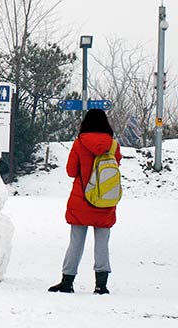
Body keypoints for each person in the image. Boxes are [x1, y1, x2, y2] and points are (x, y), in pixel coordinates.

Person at [48, 107, 122, 296]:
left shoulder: (79, 143)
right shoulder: (113, 145)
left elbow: (71, 171)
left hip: (81, 201)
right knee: (102, 243)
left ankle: (67, 282)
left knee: (76, 243)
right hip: (105, 201)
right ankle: (101, 285)